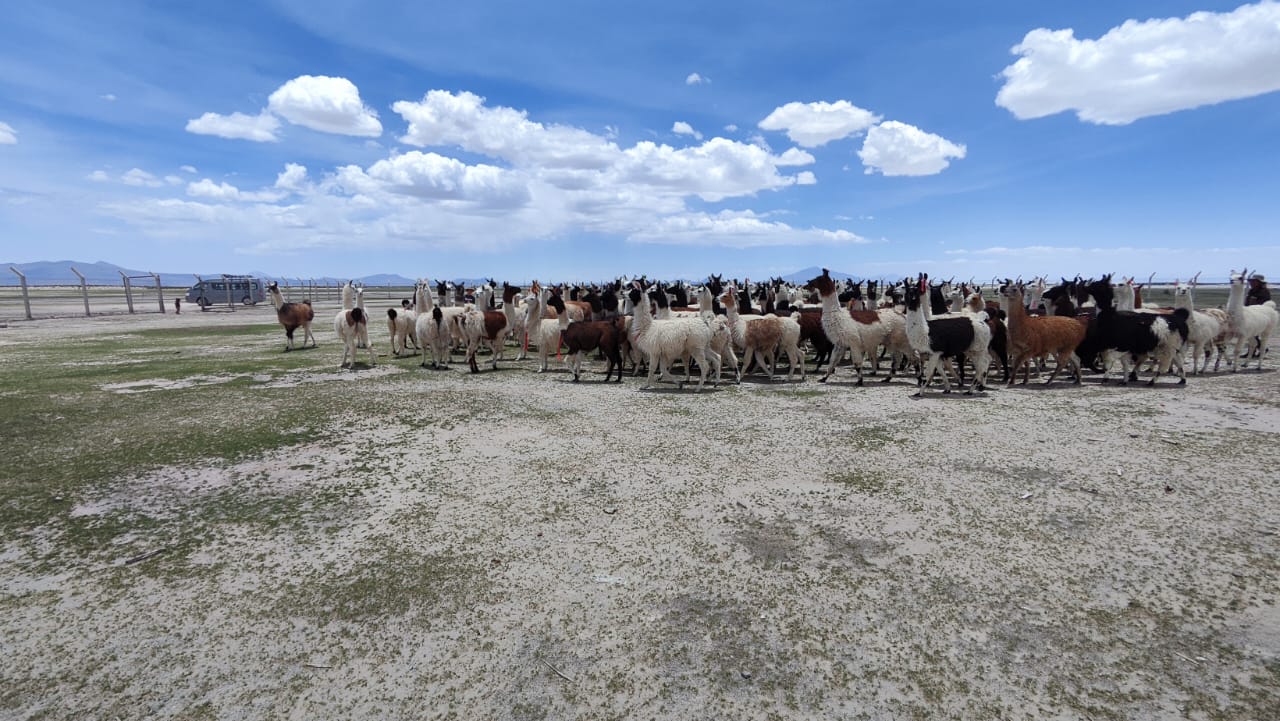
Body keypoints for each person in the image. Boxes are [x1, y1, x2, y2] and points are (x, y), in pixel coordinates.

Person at [1242, 273, 1270, 357]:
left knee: (1253, 333)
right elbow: (1247, 301)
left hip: (1259, 315)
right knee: (1251, 334)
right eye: (1251, 281)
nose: (1252, 283)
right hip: (1250, 313)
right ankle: (1254, 351)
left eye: (1254, 281)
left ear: (1259, 282)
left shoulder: (1264, 292)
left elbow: (1264, 303)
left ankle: (1260, 349)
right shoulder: (1251, 291)